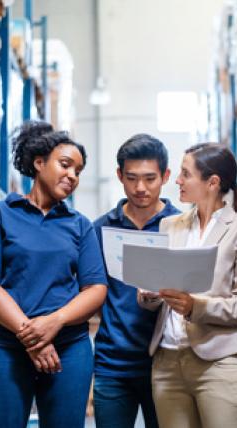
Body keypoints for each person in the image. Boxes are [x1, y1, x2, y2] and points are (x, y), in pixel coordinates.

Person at [0, 121, 108, 428]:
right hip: (6, 348)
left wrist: (55, 322)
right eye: (66, 165)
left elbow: (96, 289)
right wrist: (33, 338)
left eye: (78, 171)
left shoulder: (80, 225)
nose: (72, 176)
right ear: (39, 162)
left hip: (68, 351)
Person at [138, 143, 237, 428]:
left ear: (212, 182)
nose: (177, 180)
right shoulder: (169, 226)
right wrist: (149, 293)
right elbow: (159, 289)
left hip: (217, 363)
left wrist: (196, 306)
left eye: (185, 174)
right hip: (166, 363)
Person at [92, 134, 180, 428]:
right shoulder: (101, 229)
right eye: (131, 178)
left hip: (168, 364)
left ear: (166, 176)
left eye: (150, 178)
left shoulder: (181, 228)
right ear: (119, 176)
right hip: (112, 364)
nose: (140, 188)